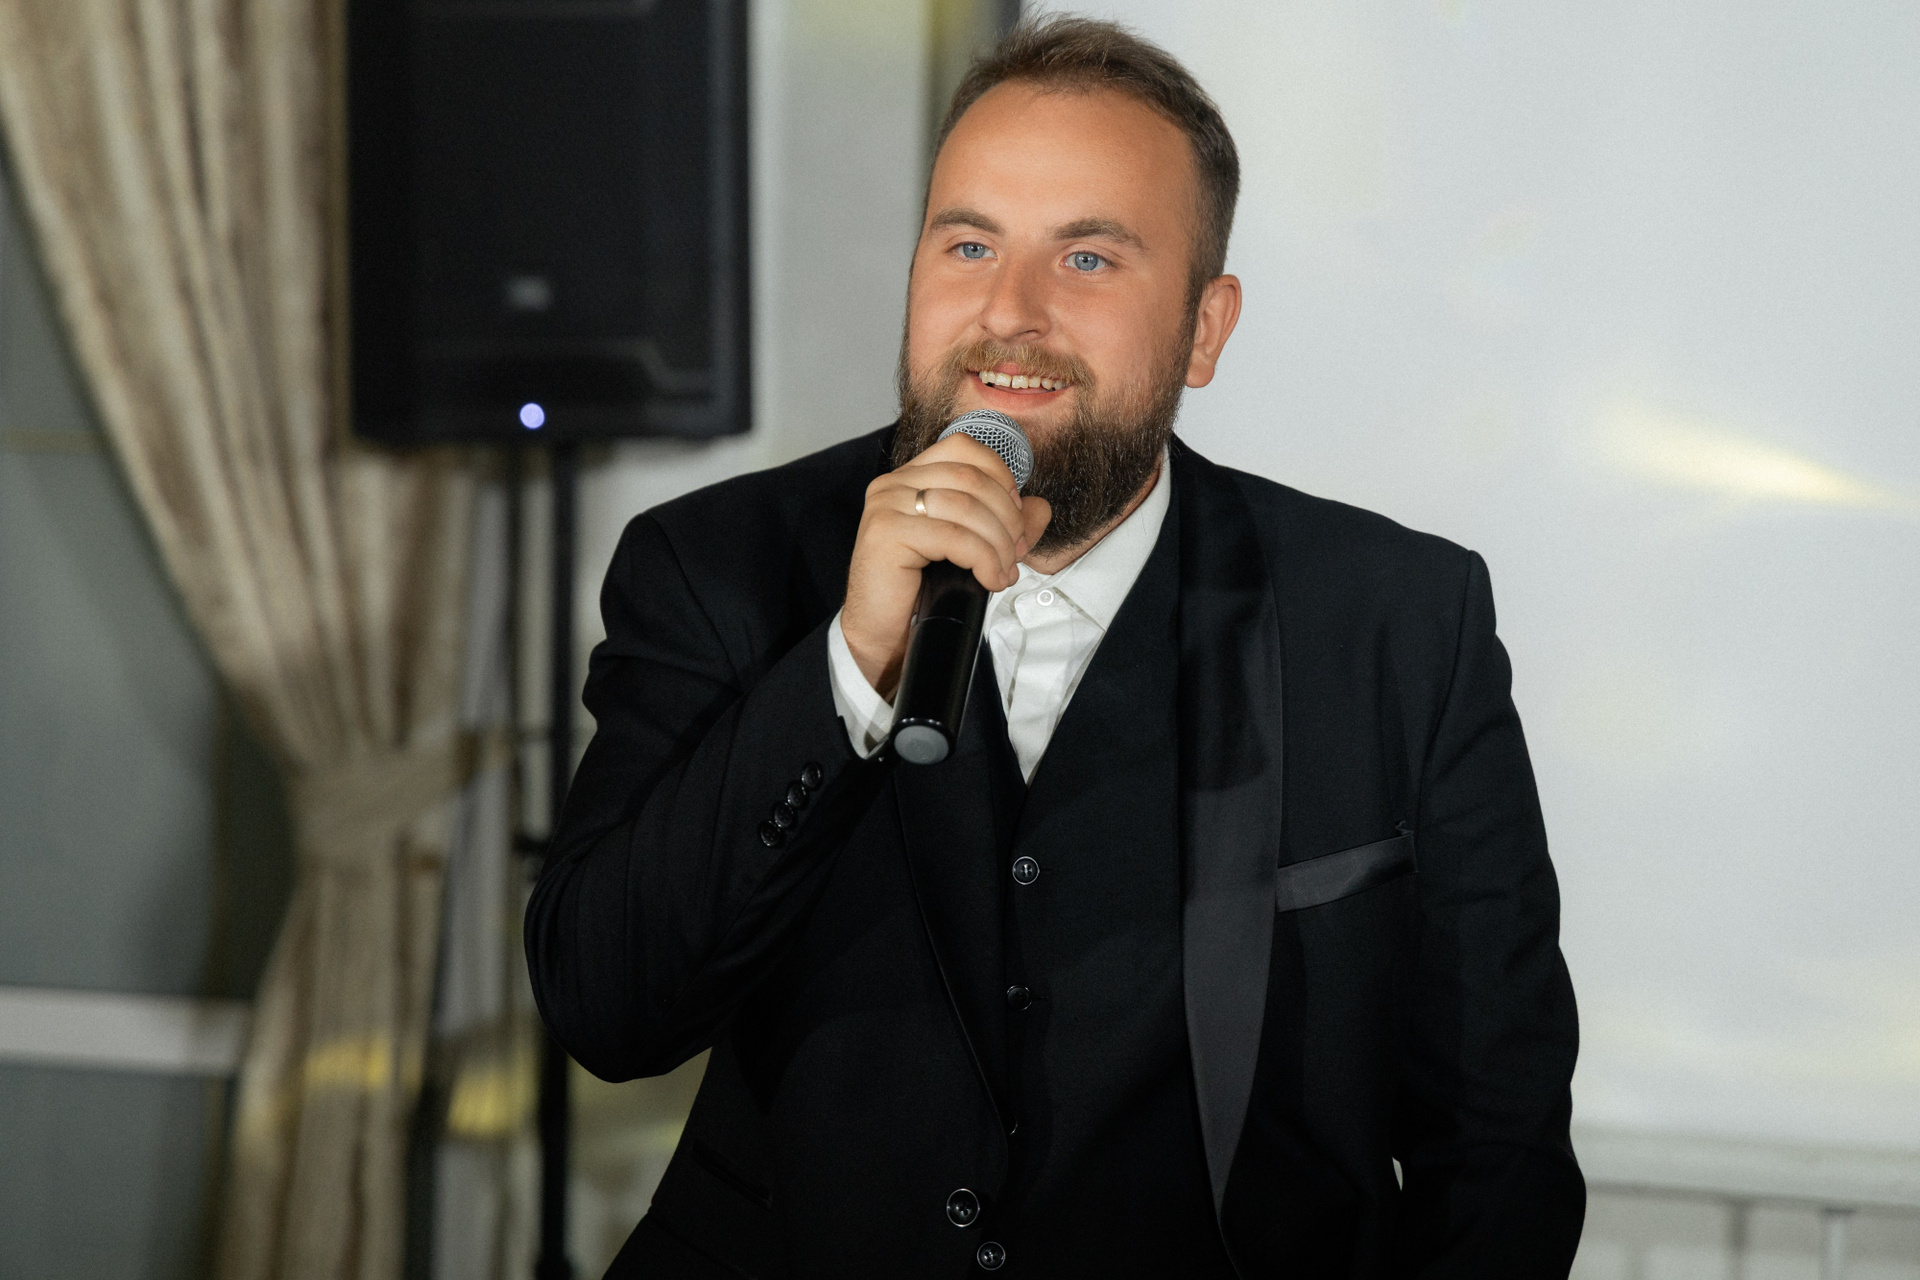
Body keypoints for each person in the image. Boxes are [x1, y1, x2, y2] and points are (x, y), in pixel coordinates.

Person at [526, 16, 1583, 1278]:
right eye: (969, 244)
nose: (1008, 313)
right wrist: (850, 666)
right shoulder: (716, 565)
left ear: (1204, 326)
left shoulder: (1396, 618)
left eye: (1086, 256)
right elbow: (607, 1008)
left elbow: (1497, 1141)